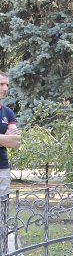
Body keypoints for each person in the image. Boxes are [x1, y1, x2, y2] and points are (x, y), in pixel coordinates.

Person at [0, 71, 21, 199]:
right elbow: (10, 140)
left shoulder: (8, 112)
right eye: (1, 84)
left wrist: (10, 140)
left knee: (3, 208)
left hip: (2, 168)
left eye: (7, 85)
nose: (5, 88)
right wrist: (5, 138)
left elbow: (16, 142)